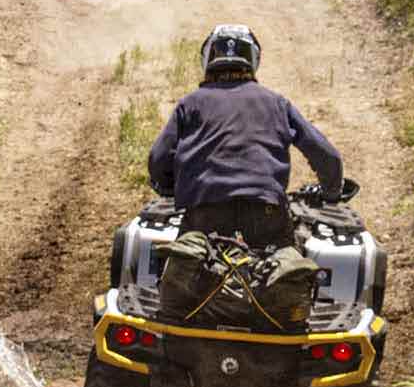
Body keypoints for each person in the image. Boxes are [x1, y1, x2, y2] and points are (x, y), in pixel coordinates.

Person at [146, 22, 347, 252]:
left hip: (204, 214)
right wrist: (331, 193)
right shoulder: (276, 103)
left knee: (182, 277)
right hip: (266, 214)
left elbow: (158, 159)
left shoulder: (190, 104)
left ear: (208, 58)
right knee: (288, 275)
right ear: (253, 60)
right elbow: (327, 155)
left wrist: (168, 187)